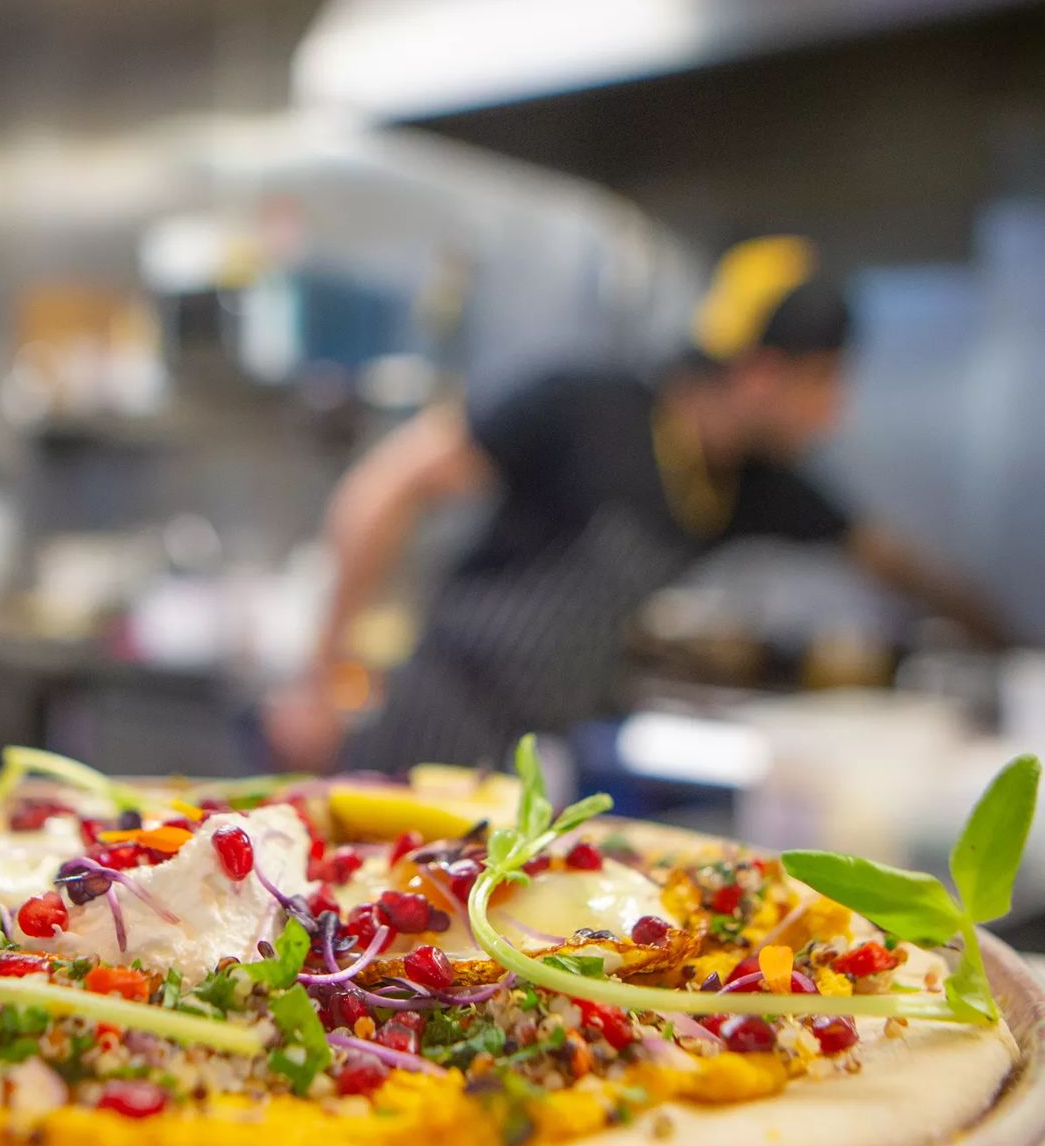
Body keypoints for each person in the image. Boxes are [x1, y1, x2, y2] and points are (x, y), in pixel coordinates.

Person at [265, 236, 1004, 773]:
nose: (833, 414)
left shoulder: (751, 484)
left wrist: (1007, 639)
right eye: (823, 383)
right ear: (760, 374)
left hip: (541, 748)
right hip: (438, 718)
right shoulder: (587, 408)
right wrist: (317, 682)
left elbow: (889, 559)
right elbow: (383, 488)